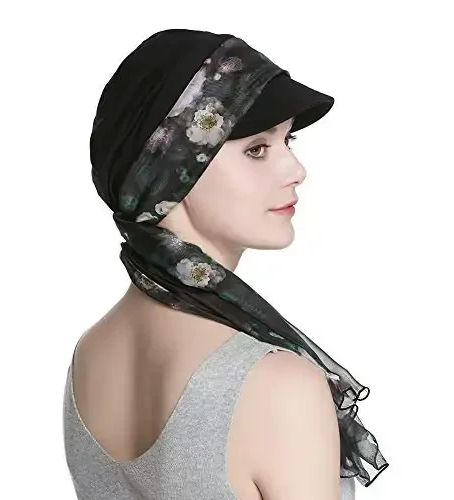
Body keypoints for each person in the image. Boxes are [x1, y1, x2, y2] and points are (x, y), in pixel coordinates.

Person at [63, 29, 387, 499]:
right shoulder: (280, 389)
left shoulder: (89, 356)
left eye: (289, 140)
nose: (296, 170)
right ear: (170, 174)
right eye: (256, 149)